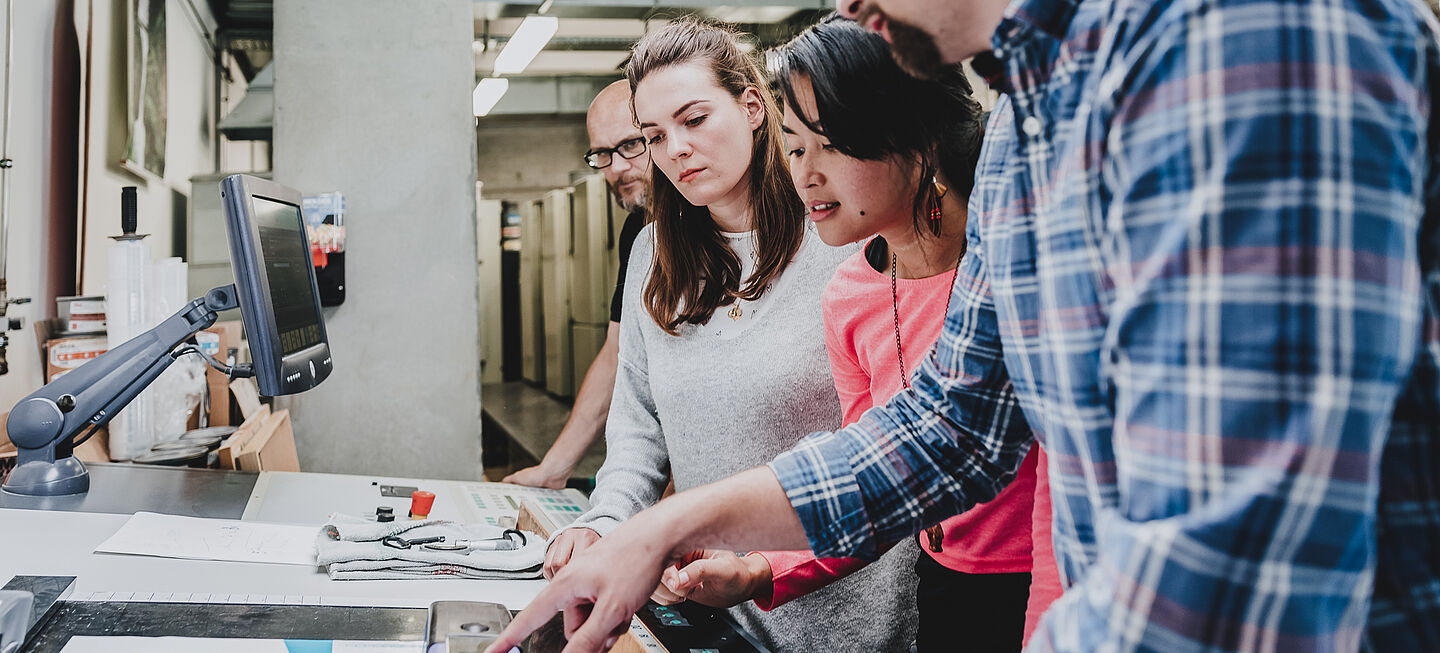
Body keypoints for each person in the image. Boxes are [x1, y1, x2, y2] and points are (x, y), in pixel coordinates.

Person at [489, 0, 1440, 651]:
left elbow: (1239, 544)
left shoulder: (1232, 34)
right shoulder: (1036, 110)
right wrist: (659, 527)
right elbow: (953, 423)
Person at [651, 18, 1056, 652]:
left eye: (829, 144)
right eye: (793, 147)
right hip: (946, 592)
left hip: (1051, 588)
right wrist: (759, 569)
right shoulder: (850, 294)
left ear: (913, 135)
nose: (804, 174)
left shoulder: (1011, 254)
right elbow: (881, 472)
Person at [541, 17, 918, 652]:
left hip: (845, 620)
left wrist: (759, 564)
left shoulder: (845, 237)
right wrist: (603, 525)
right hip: (713, 614)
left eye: (694, 120)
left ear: (751, 107)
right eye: (655, 136)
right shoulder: (655, 254)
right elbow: (638, 427)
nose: (676, 150)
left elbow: (888, 451)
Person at [502, 81, 649, 489]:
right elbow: (616, 354)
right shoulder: (639, 231)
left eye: (631, 145)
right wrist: (554, 468)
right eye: (602, 154)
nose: (616, 168)